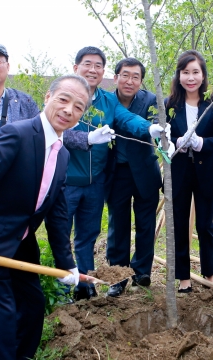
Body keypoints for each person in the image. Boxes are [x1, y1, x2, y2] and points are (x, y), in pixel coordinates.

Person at [0, 75, 109, 360]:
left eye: (78, 107)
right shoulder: (17, 134)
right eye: (63, 99)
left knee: (33, 306)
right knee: (3, 319)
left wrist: (67, 265)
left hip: (20, 242)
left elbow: (58, 215)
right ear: (47, 98)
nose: (69, 110)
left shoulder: (62, 156)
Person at [65, 46, 172, 300]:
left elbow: (126, 119)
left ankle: (93, 282)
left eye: (97, 65)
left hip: (119, 176)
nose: (92, 70)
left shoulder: (114, 101)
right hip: (79, 177)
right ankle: (95, 279)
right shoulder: (66, 95)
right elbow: (55, 127)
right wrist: (88, 138)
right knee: (75, 233)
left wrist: (151, 129)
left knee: (92, 234)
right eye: (87, 64)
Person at [166, 50, 213, 293]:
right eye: (185, 72)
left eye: (195, 72)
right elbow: (164, 136)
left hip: (205, 170)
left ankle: (209, 273)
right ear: (179, 75)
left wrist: (202, 143)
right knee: (179, 224)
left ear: (203, 75)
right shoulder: (171, 103)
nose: (190, 77)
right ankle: (183, 278)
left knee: (205, 225)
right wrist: (175, 143)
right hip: (179, 170)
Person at [105, 58, 162, 297]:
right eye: (125, 75)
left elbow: (159, 122)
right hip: (116, 171)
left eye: (135, 77)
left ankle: (142, 271)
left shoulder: (150, 100)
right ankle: (118, 276)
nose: (130, 81)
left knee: (145, 223)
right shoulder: (106, 101)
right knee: (118, 224)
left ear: (141, 80)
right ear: (116, 77)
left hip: (145, 170)